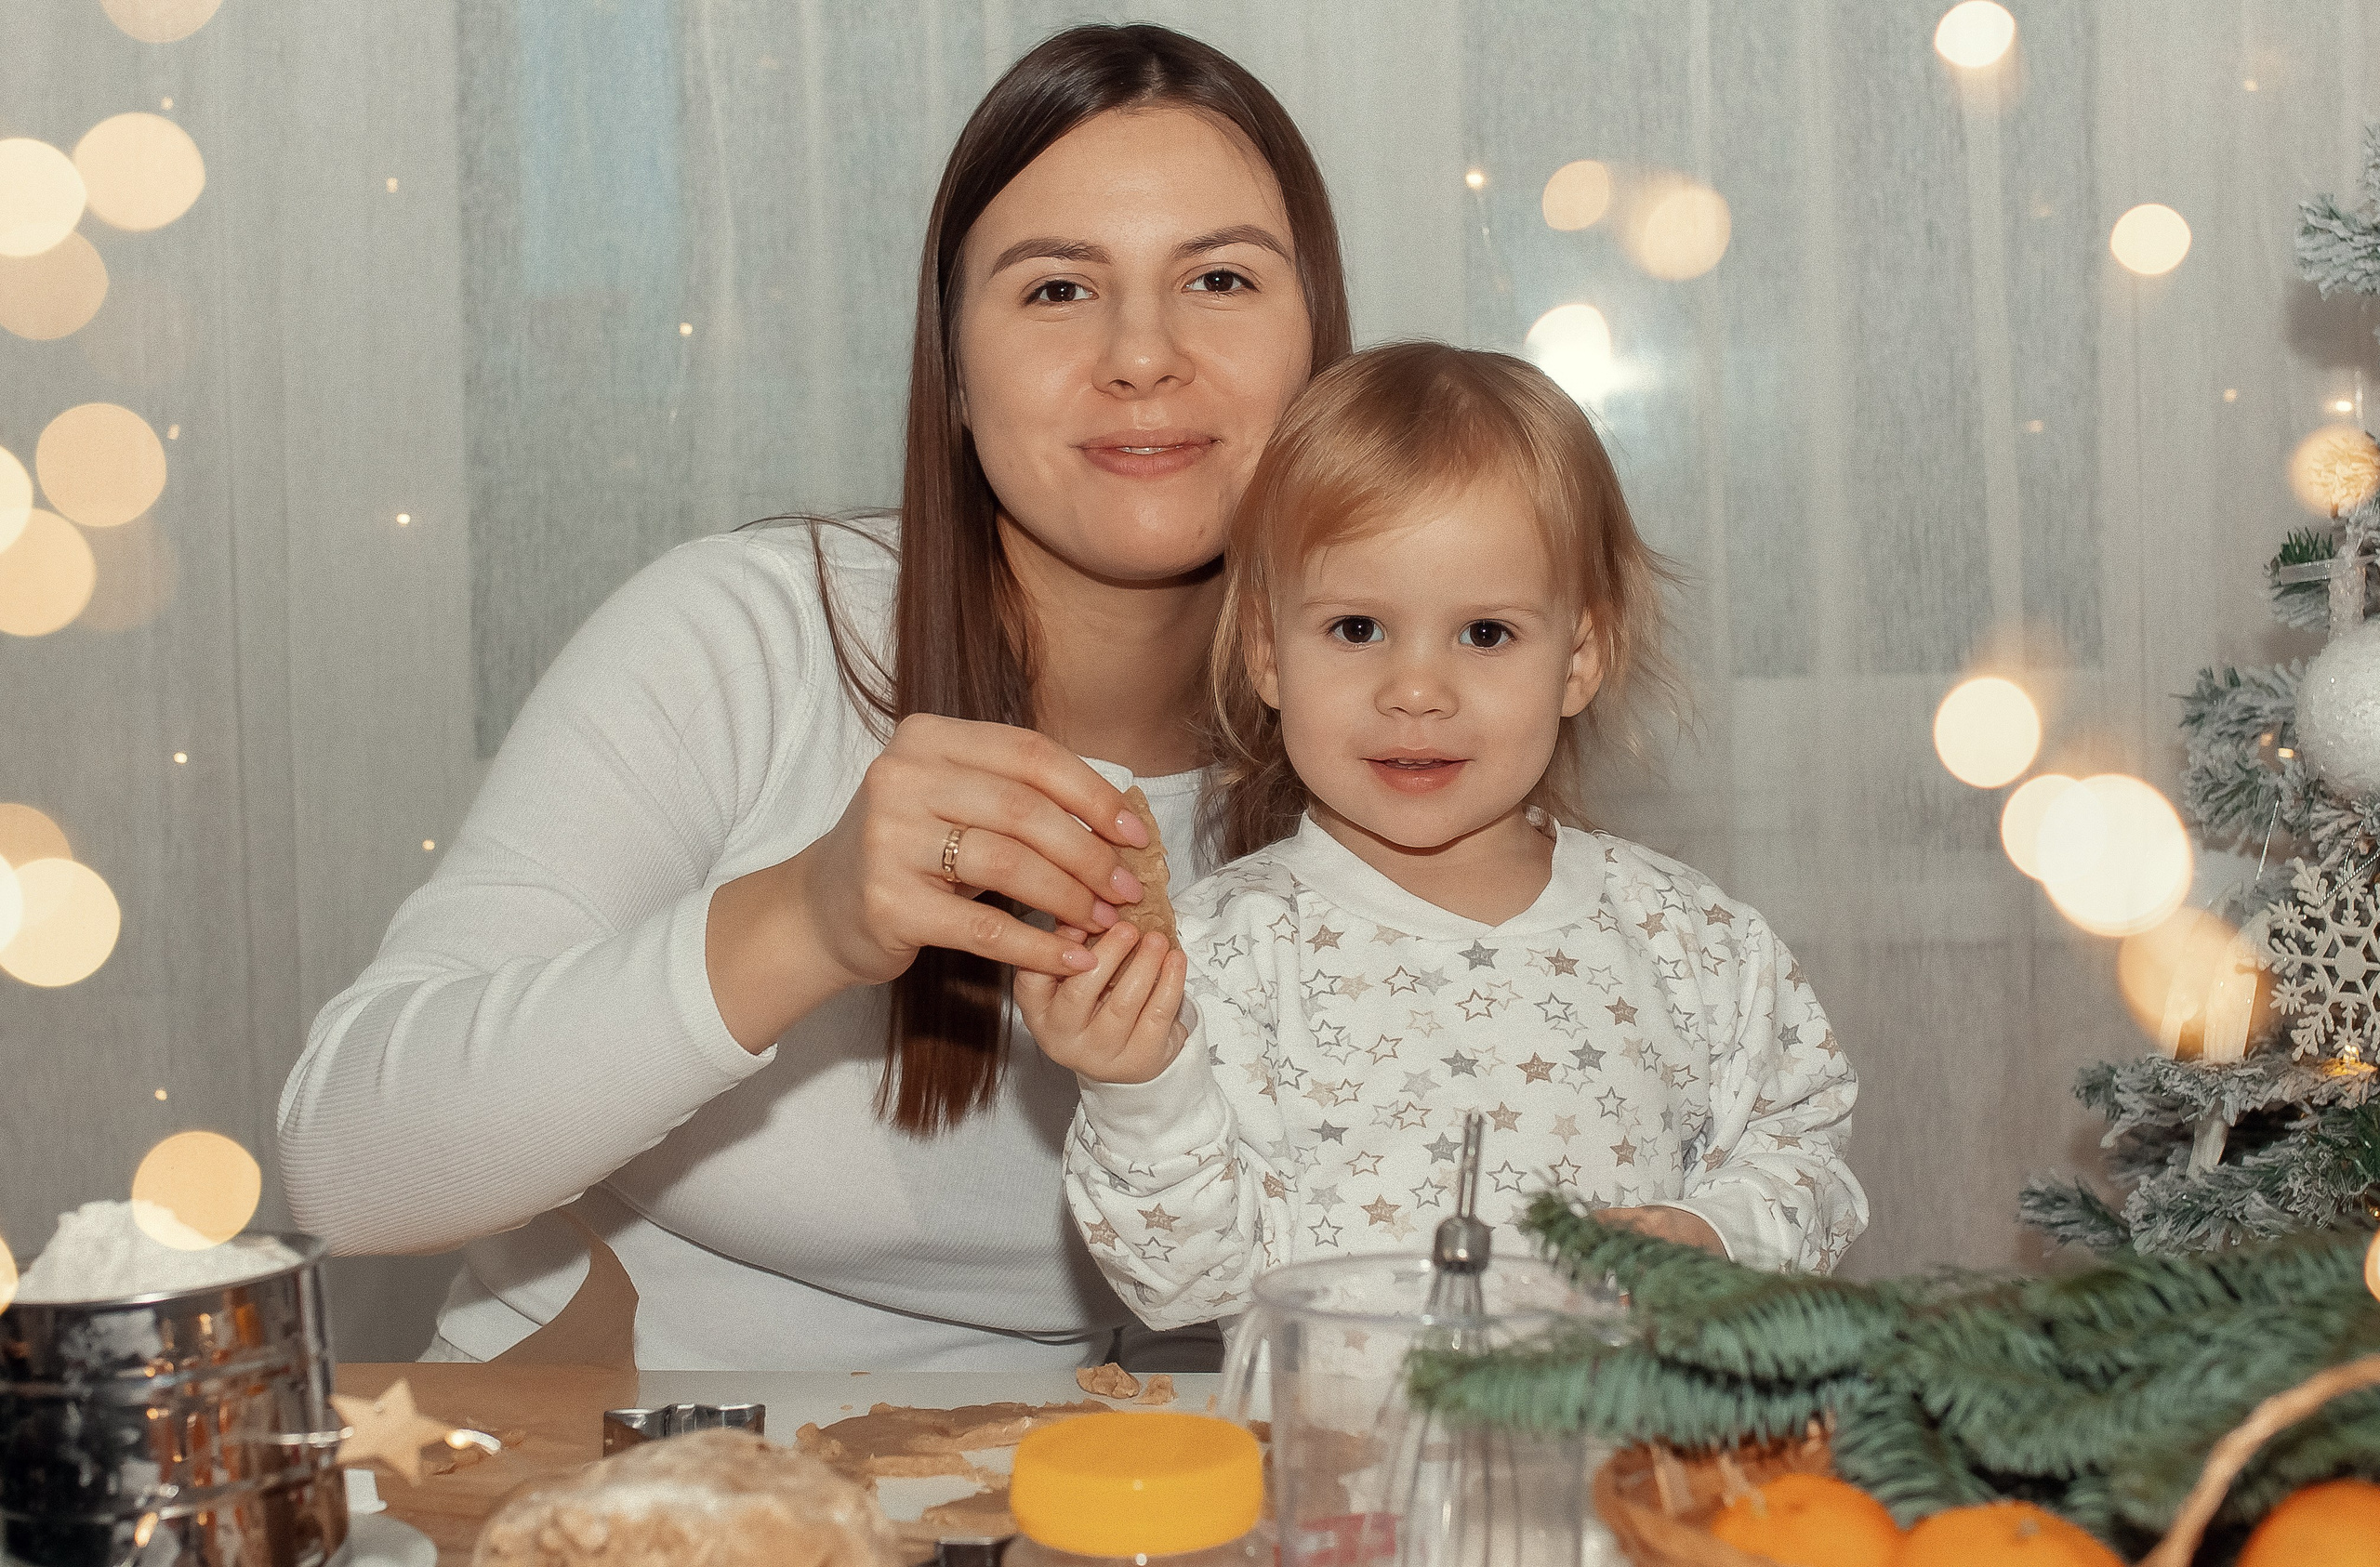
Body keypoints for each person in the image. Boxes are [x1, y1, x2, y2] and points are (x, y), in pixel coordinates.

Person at [276, 23, 1351, 1369]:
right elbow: (348, 1163)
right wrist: (806, 914)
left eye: (1221, 277)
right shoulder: (743, 635)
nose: (1144, 353)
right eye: (1058, 290)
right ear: (953, 367)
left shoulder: (1428, 731)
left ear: (1320, 342)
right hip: (610, 1458)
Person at [1016, 343, 1869, 1328]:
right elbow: (1181, 1290)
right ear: (1266, 652)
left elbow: (1809, 1163)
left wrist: (1718, 1236)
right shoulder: (1214, 960)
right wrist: (1135, 1087)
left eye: (1484, 635)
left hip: (1618, 1464)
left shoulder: (1695, 941)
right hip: (1335, 1462)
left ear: (1579, 657)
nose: (1415, 691)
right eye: (1356, 629)